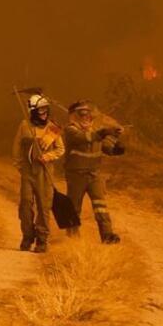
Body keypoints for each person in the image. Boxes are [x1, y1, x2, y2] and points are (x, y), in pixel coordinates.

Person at [61, 99, 125, 243]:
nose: (86, 118)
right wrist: (103, 132)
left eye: (88, 116)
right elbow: (84, 139)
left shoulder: (94, 132)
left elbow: (106, 148)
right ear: (75, 116)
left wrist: (117, 148)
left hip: (94, 175)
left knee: (100, 206)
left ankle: (107, 235)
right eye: (82, 115)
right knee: (73, 207)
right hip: (76, 175)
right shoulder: (71, 130)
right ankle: (72, 238)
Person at [14, 91, 66, 252]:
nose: (44, 114)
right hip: (28, 172)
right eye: (40, 111)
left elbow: (60, 149)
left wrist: (48, 156)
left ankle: (42, 240)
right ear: (33, 112)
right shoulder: (24, 125)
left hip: (45, 172)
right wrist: (20, 167)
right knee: (25, 205)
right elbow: (16, 147)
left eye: (46, 110)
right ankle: (27, 236)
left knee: (44, 207)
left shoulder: (53, 128)